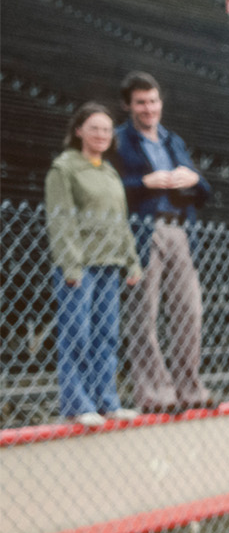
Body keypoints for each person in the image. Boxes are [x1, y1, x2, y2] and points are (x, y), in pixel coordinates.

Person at [112, 71, 215, 414]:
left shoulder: (173, 141)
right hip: (142, 229)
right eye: (141, 102)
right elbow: (111, 187)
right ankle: (155, 391)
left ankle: (190, 387)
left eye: (153, 101)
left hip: (180, 229)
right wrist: (144, 182)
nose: (148, 108)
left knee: (190, 310)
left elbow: (205, 192)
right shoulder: (120, 140)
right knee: (144, 314)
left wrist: (196, 179)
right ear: (128, 105)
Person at [45, 102, 144, 426]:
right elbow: (61, 220)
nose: (101, 135)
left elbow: (120, 220)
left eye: (106, 129)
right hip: (82, 265)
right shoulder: (65, 168)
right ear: (79, 131)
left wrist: (131, 261)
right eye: (94, 128)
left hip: (110, 263)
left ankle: (107, 400)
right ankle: (77, 403)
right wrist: (71, 265)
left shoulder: (109, 170)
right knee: (78, 334)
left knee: (107, 335)